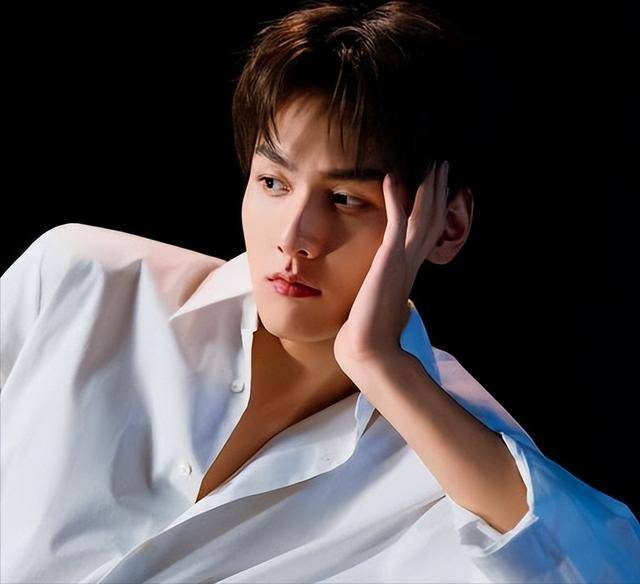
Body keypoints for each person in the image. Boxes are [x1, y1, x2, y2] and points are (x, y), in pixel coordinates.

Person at [2, 1, 639, 582]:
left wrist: (380, 363)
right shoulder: (80, 283)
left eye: (345, 199)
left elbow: (605, 571)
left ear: (446, 226)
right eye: (273, 183)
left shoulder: (458, 461)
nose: (294, 237)